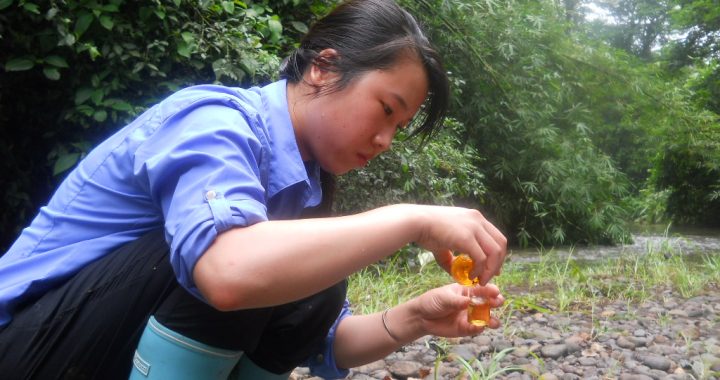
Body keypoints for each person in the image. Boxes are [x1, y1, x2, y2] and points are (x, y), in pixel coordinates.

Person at [0, 0, 507, 379]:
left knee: (306, 279)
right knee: (236, 251)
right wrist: (410, 219)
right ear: (323, 68)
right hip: (25, 344)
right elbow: (229, 274)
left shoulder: (303, 188)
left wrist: (416, 317)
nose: (385, 140)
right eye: (386, 110)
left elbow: (316, 335)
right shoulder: (215, 121)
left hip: (88, 349)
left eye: (399, 128)